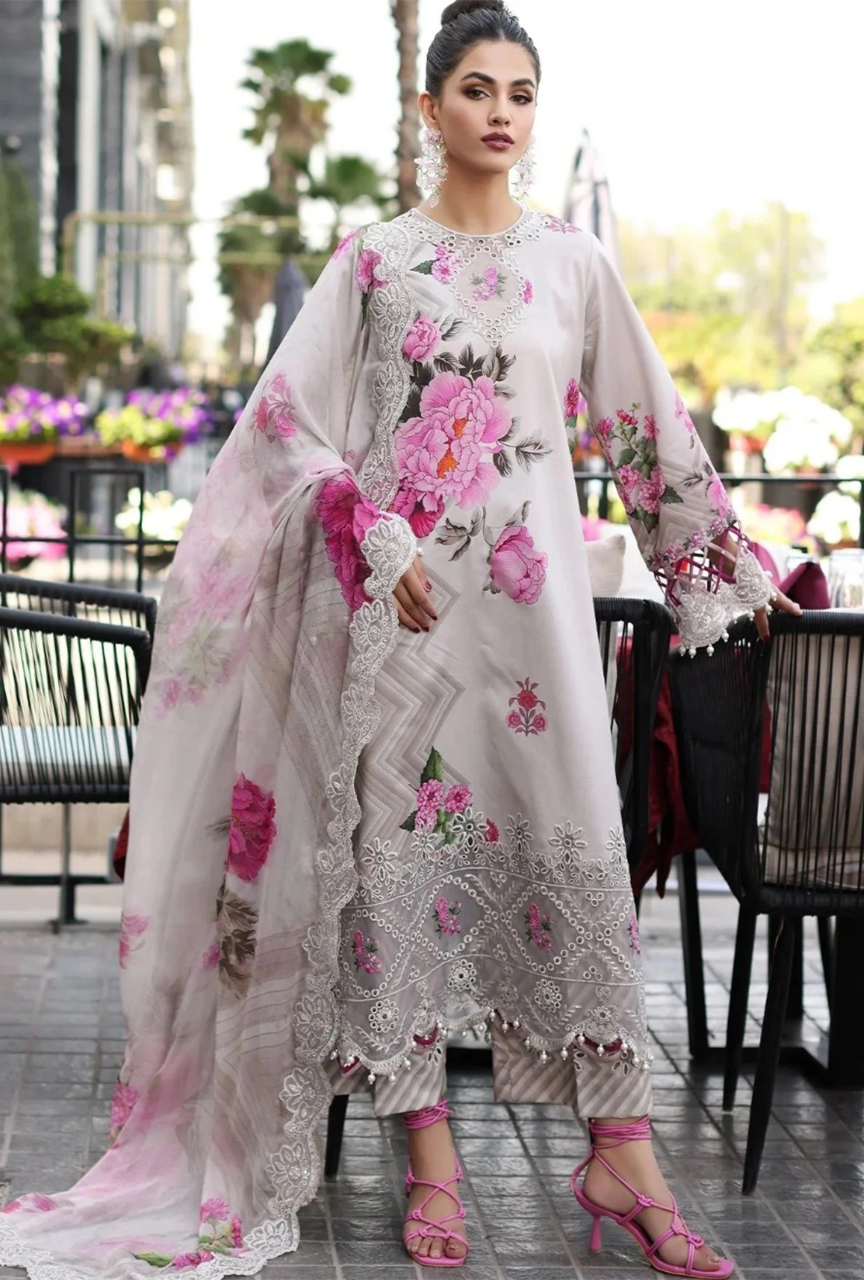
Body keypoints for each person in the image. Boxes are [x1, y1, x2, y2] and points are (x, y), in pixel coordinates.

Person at [0, 2, 801, 1277]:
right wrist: (371, 528)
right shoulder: (372, 263)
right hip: (400, 635)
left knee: (583, 852)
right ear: (429, 111)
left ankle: (623, 1146)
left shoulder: (572, 268)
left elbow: (647, 427)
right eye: (476, 87)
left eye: (522, 92)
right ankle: (430, 1155)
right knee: (400, 879)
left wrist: (721, 566)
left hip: (536, 640)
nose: (501, 110)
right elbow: (280, 431)